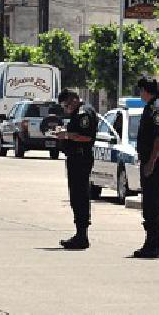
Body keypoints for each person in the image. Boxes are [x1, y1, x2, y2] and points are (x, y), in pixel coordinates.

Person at [54, 89, 98, 250]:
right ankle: (79, 234)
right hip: (75, 158)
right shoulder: (79, 112)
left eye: (66, 106)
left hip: (81, 158)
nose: (66, 109)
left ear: (73, 100)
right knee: (76, 196)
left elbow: (86, 137)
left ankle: (82, 235)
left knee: (80, 196)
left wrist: (66, 135)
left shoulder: (83, 113)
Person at [133, 77, 159, 259]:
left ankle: (152, 245)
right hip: (153, 162)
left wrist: (151, 162)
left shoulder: (156, 109)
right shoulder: (152, 107)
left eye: (140, 90)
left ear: (146, 90)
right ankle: (158, 243)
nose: (139, 94)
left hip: (154, 164)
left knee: (151, 204)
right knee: (154, 203)